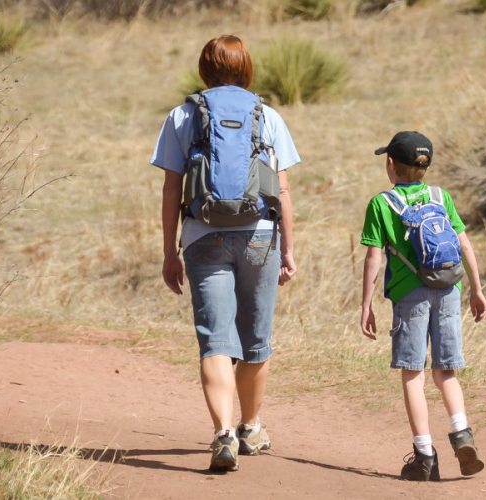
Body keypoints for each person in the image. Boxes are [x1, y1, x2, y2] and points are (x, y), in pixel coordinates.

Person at [150, 34, 299, 472]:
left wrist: (168, 252)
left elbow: (171, 187)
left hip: (203, 236)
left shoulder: (182, 116)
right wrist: (289, 250)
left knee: (215, 338)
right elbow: (283, 190)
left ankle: (223, 433)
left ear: (204, 68)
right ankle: (252, 426)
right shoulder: (266, 115)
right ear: (246, 67)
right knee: (256, 337)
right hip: (259, 237)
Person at [359, 131, 486, 481]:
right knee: (446, 371)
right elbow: (465, 245)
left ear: (390, 164)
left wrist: (366, 304)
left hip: (410, 295)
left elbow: (374, 257)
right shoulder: (440, 195)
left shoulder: (381, 204)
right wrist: (476, 288)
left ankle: (424, 455)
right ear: (425, 166)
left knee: (413, 374)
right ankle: (462, 432)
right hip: (449, 290)